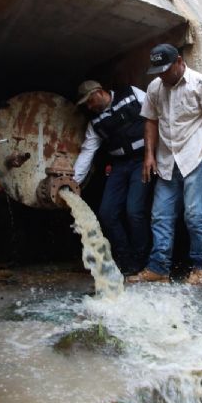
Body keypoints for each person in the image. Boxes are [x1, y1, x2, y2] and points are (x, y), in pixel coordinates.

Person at [128, 44, 202, 286]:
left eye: (165, 69)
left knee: (194, 214)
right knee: (160, 216)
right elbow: (150, 122)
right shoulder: (155, 87)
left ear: (179, 61)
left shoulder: (200, 83)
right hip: (166, 160)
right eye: (158, 71)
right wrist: (149, 155)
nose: (162, 75)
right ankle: (159, 268)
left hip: (196, 155)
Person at [72, 80, 151, 275]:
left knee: (134, 211)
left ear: (99, 92)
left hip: (142, 160)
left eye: (89, 102)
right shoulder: (95, 124)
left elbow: (155, 115)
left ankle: (141, 260)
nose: (89, 107)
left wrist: (159, 154)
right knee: (107, 213)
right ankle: (124, 258)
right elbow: (87, 153)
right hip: (119, 165)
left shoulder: (131, 93)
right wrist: (74, 183)